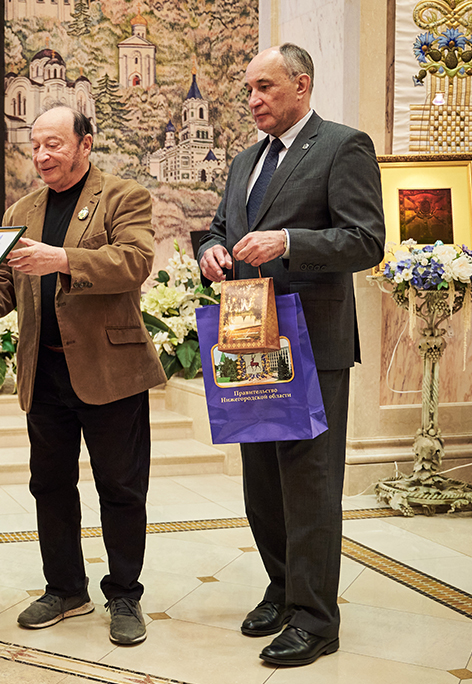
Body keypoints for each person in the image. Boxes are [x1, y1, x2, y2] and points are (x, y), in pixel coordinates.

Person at [197, 43, 385, 667]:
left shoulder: (343, 146)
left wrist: (288, 241)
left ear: (302, 85)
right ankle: (281, 591)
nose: (253, 100)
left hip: (310, 342)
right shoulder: (245, 160)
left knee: (309, 483)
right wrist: (210, 251)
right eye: (249, 89)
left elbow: (366, 240)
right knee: (262, 484)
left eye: (265, 87)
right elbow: (221, 227)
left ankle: (315, 618)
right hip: (249, 338)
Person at [0, 105, 166, 645]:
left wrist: (62, 259)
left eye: (53, 144)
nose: (41, 155)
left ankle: (124, 594)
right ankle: (65, 588)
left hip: (110, 370)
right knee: (50, 484)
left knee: (120, 487)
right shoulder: (22, 209)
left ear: (85, 144)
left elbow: (135, 262)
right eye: (34, 146)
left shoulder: (123, 197)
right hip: (46, 369)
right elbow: (7, 284)